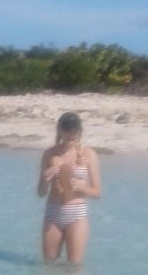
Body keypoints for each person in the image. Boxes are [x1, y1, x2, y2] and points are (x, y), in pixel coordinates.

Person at [37, 112, 101, 265]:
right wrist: (46, 179)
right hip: (53, 214)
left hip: (77, 215)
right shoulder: (49, 154)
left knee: (74, 267)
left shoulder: (88, 154)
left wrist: (81, 187)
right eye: (67, 129)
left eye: (75, 130)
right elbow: (40, 192)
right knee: (49, 266)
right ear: (59, 130)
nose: (71, 134)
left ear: (80, 131)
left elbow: (97, 192)